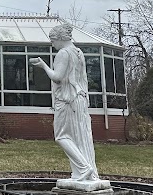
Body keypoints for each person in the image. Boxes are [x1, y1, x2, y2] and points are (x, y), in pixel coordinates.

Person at [30, 23, 100, 182]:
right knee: (80, 137)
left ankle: (83, 168)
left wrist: (44, 66)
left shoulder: (63, 53)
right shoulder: (79, 52)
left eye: (53, 40)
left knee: (61, 136)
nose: (52, 43)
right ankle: (84, 172)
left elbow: (57, 77)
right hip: (79, 99)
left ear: (60, 38)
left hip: (67, 100)